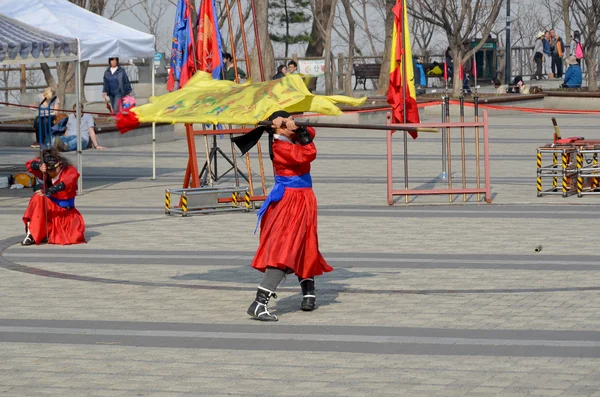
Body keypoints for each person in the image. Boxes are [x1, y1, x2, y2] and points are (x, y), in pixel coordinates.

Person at [231, 111, 333, 321]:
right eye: (287, 124)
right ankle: (259, 302)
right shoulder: (280, 146)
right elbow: (307, 154)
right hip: (290, 202)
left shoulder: (289, 137)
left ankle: (309, 294)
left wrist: (296, 126)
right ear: (277, 129)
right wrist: (292, 129)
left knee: (305, 244)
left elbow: (310, 134)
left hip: (303, 199)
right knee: (285, 249)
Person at [21, 148, 86, 246]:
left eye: (53, 170)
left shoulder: (69, 170)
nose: (51, 173)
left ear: (59, 164)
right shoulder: (46, 172)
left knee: (73, 238)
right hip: (51, 210)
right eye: (49, 171)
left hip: (65, 213)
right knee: (38, 197)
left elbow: (66, 183)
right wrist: (39, 166)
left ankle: (45, 232)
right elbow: (29, 164)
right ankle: (32, 234)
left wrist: (48, 191)